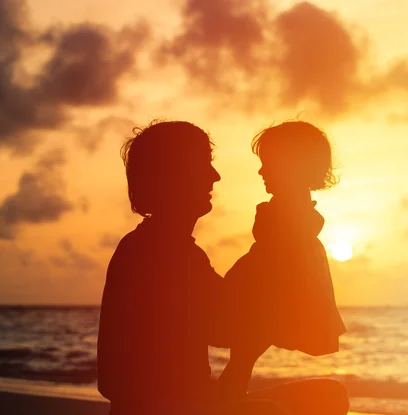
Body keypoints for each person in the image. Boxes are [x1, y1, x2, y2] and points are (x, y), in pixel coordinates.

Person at [97, 120, 349, 415]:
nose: (215, 176)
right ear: (174, 176)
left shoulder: (159, 249)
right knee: (323, 402)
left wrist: (281, 241)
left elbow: (228, 315)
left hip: (192, 404)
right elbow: (228, 327)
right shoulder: (162, 254)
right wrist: (278, 243)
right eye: (204, 165)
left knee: (329, 395)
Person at [218, 121, 347, 397]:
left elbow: (273, 270)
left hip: (265, 285)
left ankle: (223, 403)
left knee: (242, 358)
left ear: (292, 166)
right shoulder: (291, 218)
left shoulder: (289, 223)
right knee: (242, 359)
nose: (261, 171)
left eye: (269, 163)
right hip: (263, 281)